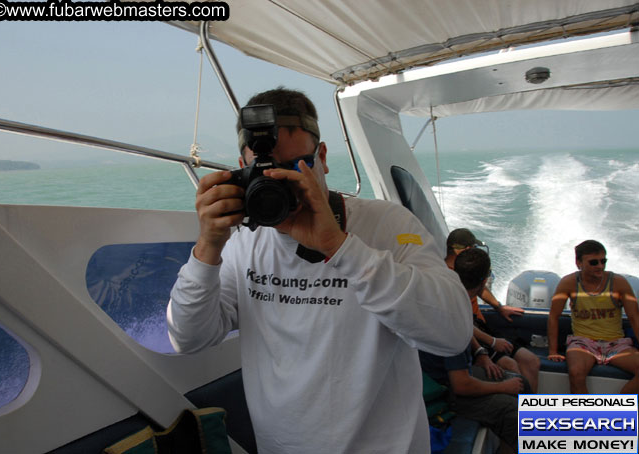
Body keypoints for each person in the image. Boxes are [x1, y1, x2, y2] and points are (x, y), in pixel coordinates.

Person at [167, 87, 473, 454]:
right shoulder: (242, 244)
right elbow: (187, 338)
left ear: (322, 157)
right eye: (264, 171)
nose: (279, 184)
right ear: (243, 169)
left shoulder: (386, 225)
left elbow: (453, 333)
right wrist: (208, 248)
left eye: (295, 167)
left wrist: (340, 246)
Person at [420, 248, 522, 454]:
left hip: (446, 376)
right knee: (515, 412)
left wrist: (481, 354)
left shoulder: (449, 298)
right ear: (484, 281)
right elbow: (462, 386)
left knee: (514, 379)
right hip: (445, 392)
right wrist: (504, 388)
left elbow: (467, 331)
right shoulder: (453, 317)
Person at [445, 228, 540, 392]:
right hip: (472, 333)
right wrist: (489, 345)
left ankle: (531, 410)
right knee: (511, 367)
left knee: (531, 360)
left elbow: (480, 288)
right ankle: (519, 412)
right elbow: (460, 323)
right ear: (467, 250)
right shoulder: (446, 278)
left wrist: (499, 307)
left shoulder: (469, 269)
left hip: (481, 325)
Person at [547, 239, 639, 394]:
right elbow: (553, 317)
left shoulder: (619, 283)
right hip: (583, 342)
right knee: (576, 372)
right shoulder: (568, 283)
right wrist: (553, 351)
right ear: (579, 263)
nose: (600, 266)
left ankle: (616, 410)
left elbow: (634, 318)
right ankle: (587, 415)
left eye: (603, 261)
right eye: (594, 262)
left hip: (616, 343)